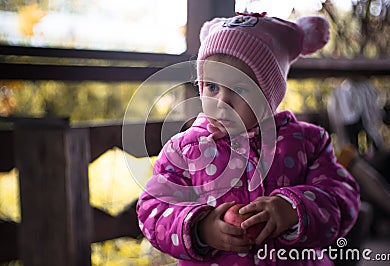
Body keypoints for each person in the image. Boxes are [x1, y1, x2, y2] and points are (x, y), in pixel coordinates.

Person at [137, 13, 360, 265]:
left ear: (270, 95)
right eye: (211, 87)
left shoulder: (307, 143)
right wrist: (200, 228)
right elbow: (152, 210)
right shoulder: (185, 150)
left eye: (240, 89)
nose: (221, 103)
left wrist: (293, 211)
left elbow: (342, 199)